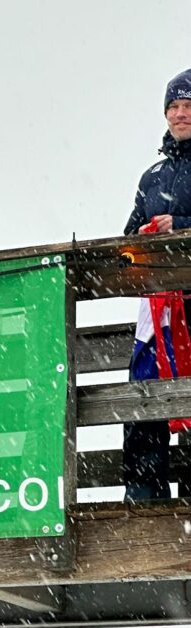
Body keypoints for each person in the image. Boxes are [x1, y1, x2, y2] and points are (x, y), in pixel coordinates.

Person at [121, 68, 191, 502]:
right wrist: (142, 235)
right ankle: (144, 494)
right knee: (143, 397)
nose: (180, 114)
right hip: (158, 312)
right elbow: (126, 237)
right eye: (174, 107)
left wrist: (180, 224)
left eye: (188, 106)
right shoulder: (152, 177)